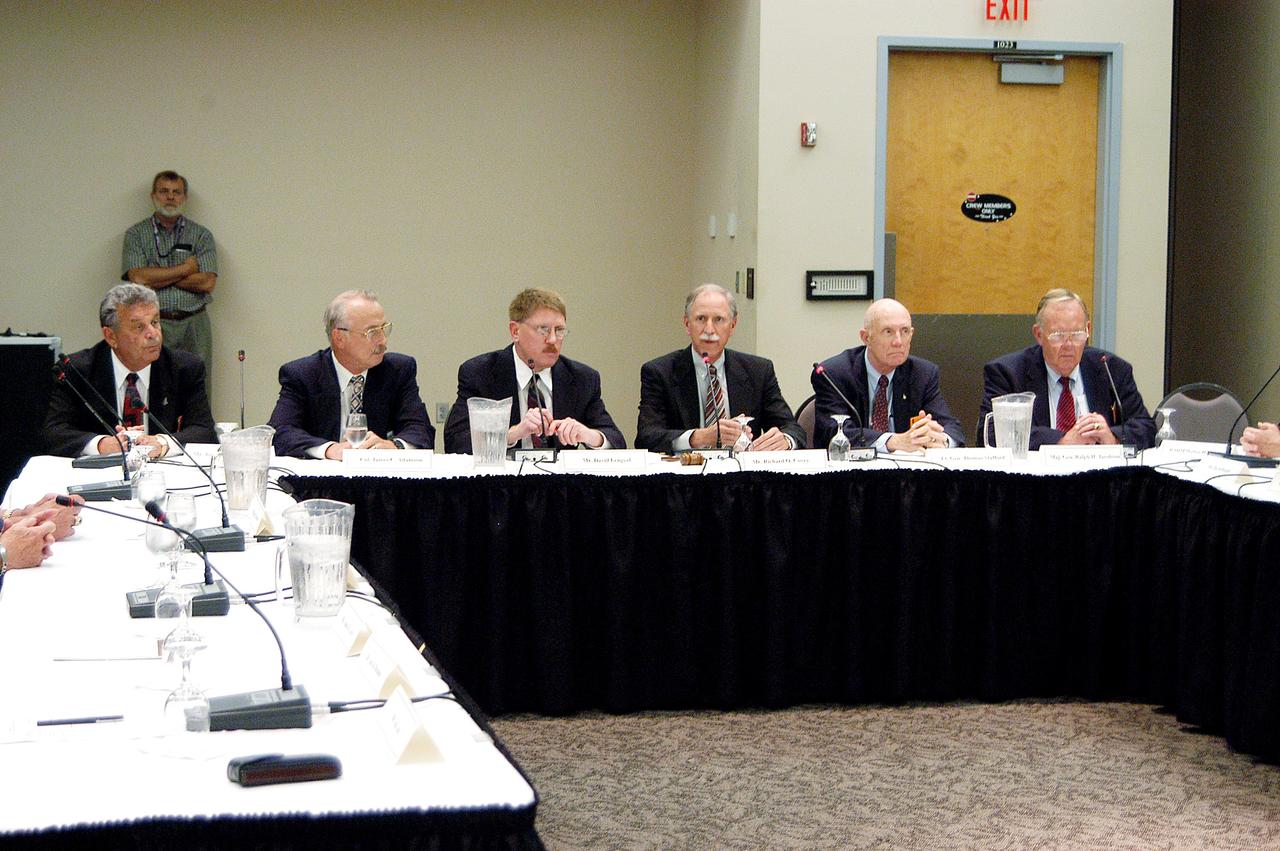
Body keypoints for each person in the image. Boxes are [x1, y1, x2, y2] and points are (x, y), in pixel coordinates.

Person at [43, 284, 216, 458]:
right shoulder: (77, 371)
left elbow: (204, 432)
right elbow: (53, 433)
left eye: (155, 322)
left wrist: (163, 443)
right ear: (111, 336)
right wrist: (101, 444)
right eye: (139, 327)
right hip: (97, 477)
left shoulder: (184, 368)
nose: (153, 334)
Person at [444, 288, 624, 453]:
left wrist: (590, 436)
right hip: (500, 486)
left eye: (560, 330)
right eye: (543, 330)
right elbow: (456, 442)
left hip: (561, 487)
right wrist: (511, 434)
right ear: (515, 331)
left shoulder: (582, 378)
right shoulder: (481, 373)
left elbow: (616, 441)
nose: (553, 339)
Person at [636, 284, 804, 452]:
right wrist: (697, 437)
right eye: (701, 319)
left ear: (732, 325)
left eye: (718, 320)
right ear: (687, 324)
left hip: (744, 476)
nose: (709, 330)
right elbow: (646, 437)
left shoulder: (758, 371)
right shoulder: (659, 372)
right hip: (685, 474)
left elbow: (793, 429)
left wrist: (786, 441)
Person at [981, 288, 1155, 450]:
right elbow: (990, 433)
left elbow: (1146, 427)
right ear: (1039, 335)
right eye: (1058, 335)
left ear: (1088, 330)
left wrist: (1112, 437)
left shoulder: (1111, 368)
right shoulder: (1008, 373)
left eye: (1077, 334)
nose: (1068, 345)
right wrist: (1061, 440)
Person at [268, 289, 434, 459]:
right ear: (339, 337)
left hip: (380, 479)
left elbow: (421, 430)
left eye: (384, 329)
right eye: (372, 332)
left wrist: (394, 446)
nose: (383, 341)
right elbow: (281, 431)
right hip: (320, 481)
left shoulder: (398, 370)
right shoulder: (303, 374)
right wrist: (330, 450)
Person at [811, 298, 964, 451]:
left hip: (908, 471)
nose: (898, 342)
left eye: (904, 331)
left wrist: (940, 439)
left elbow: (952, 427)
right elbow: (832, 432)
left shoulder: (922, 373)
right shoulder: (834, 374)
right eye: (888, 332)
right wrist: (892, 441)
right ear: (866, 338)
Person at [121, 170, 219, 372]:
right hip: (151, 323)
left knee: (197, 388)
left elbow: (207, 283)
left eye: (177, 192)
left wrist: (156, 275)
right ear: (153, 196)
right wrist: (185, 269)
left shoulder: (201, 235)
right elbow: (137, 278)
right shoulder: (136, 235)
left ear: (185, 197)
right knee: (152, 385)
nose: (170, 197)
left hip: (194, 324)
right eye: (164, 191)